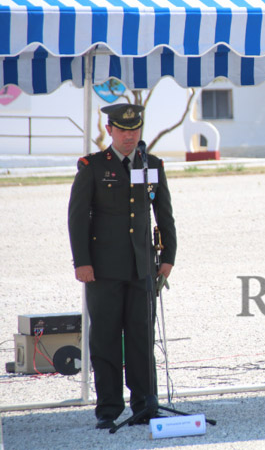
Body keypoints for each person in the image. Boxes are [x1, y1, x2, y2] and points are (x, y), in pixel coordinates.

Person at [67, 103, 177, 429]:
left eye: (135, 131)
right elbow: (76, 219)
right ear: (110, 130)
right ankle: (109, 408)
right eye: (123, 131)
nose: (129, 137)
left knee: (142, 339)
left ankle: (145, 404)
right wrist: (82, 262)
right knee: (106, 340)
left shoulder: (152, 164)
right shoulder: (93, 166)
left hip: (143, 267)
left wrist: (168, 255)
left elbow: (164, 213)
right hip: (102, 270)